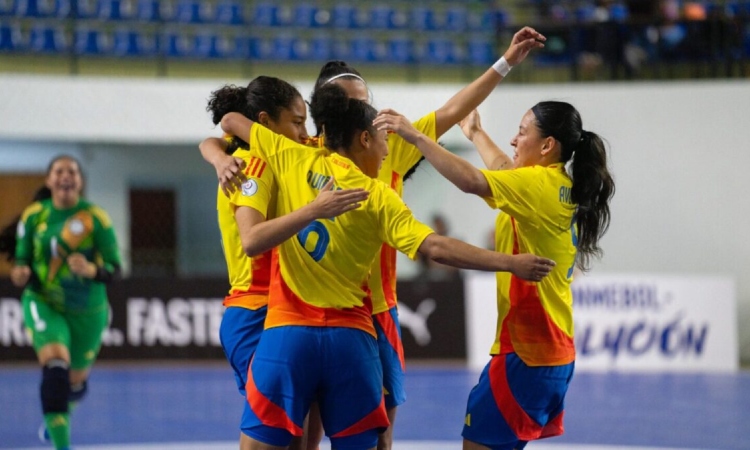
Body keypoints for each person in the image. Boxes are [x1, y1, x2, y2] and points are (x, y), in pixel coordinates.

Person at [219, 83, 556, 450]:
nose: (386, 152)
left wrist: (219, 157)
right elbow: (437, 248)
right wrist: (509, 263)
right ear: (365, 139)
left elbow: (233, 120)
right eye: (384, 142)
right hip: (351, 343)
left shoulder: (288, 154)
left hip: (286, 336)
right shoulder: (377, 195)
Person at [374, 100, 615, 449]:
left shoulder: (537, 185)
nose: (514, 141)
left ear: (547, 146)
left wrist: (416, 137)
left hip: (526, 353)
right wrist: (475, 132)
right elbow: (502, 168)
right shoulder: (556, 184)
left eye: (522, 132)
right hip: (551, 351)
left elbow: (473, 181)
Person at [200, 76, 368, 450]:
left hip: (287, 311)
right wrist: (314, 211)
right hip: (256, 308)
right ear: (265, 122)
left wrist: (213, 152)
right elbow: (252, 241)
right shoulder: (250, 168)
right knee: (272, 437)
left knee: (303, 430)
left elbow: (220, 131)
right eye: (296, 121)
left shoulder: (284, 154)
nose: (304, 131)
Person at [7, 155, 122, 450]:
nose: (65, 176)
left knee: (74, 384)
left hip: (88, 311)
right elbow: (22, 260)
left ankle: (57, 417)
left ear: (80, 182)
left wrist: (91, 270)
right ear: (49, 180)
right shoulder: (34, 216)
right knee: (56, 369)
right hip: (44, 302)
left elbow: (115, 269)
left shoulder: (96, 218)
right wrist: (20, 272)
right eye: (59, 171)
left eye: (72, 171)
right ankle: (62, 444)